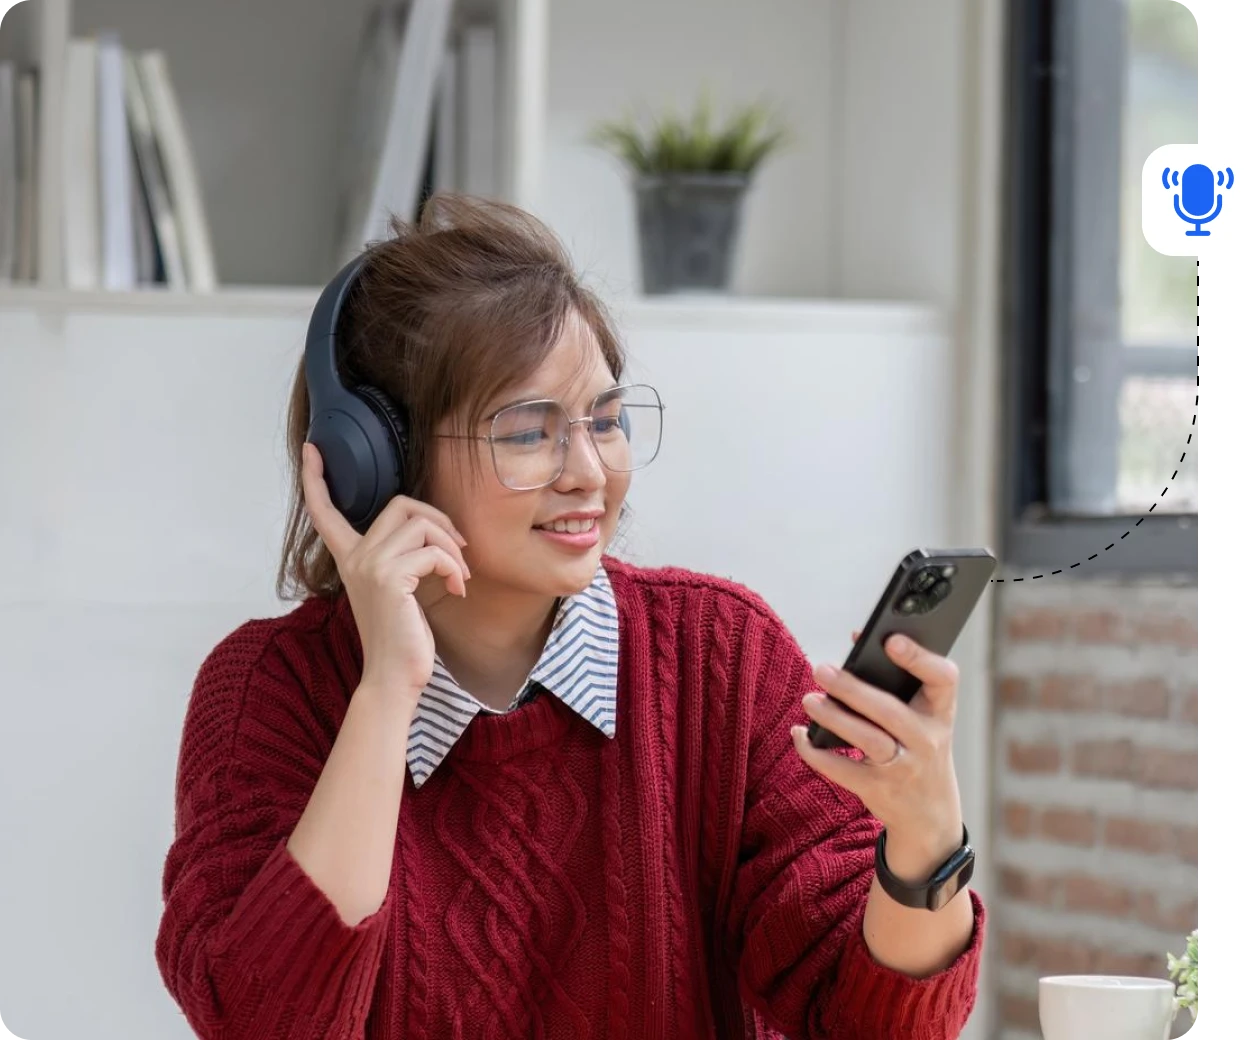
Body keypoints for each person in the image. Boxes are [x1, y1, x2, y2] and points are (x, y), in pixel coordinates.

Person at [154, 194, 984, 1040]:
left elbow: (870, 1023)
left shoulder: (721, 656)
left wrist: (924, 838)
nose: (589, 471)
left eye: (607, 421)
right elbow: (259, 1020)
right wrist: (385, 693)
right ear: (379, 461)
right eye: (528, 433)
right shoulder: (270, 691)